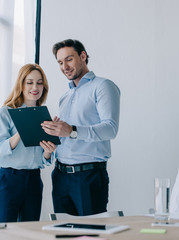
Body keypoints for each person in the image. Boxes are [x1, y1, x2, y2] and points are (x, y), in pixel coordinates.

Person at [41, 39, 120, 216]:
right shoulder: (65, 97)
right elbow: (66, 135)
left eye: (69, 59)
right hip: (60, 176)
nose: (64, 67)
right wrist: (52, 137)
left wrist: (72, 130)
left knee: (89, 234)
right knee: (64, 233)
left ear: (82, 56)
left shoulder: (103, 86)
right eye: (60, 62)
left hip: (88, 177)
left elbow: (111, 128)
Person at [0, 64, 56, 223]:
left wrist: (48, 152)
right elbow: (1, 149)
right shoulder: (6, 112)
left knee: (28, 234)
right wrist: (22, 130)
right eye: (30, 82)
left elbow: (43, 159)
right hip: (8, 180)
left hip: (33, 180)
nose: (35, 87)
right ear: (21, 84)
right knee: (3, 233)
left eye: (39, 83)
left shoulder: (44, 116)